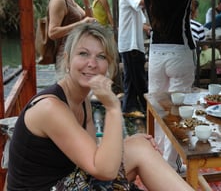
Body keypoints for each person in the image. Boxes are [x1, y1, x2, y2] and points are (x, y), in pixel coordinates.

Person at [7, 23, 194, 190]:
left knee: (139, 145)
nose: (92, 64)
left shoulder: (83, 101)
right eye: (83, 54)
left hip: (68, 182)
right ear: (67, 60)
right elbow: (104, 171)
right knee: (139, 150)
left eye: (101, 56)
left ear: (109, 65)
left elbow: (95, 158)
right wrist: (113, 107)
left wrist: (131, 140)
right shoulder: (50, 108)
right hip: (53, 186)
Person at [141, 0, 221, 171]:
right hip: (180, 53)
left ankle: (157, 159)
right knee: (178, 111)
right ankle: (171, 164)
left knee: (158, 109)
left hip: (156, 54)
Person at [48, 0, 96, 78]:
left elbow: (89, 20)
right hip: (65, 59)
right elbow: (52, 32)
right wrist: (81, 23)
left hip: (75, 55)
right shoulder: (58, 0)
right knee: (68, 93)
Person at [118, 0, 150, 118]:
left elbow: (143, 23)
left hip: (134, 44)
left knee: (131, 77)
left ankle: (129, 107)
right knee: (138, 77)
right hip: (130, 44)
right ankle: (146, 107)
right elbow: (144, 2)